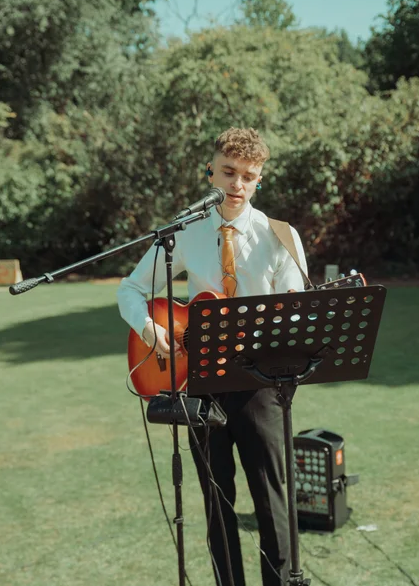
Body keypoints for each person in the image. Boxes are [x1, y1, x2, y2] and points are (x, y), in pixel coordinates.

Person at [117, 127, 308, 586]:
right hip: (199, 383)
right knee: (216, 504)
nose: (237, 184)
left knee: (272, 501)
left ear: (259, 179)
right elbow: (131, 289)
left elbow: (296, 312)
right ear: (210, 172)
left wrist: (277, 325)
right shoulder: (183, 232)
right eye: (228, 172)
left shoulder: (280, 236)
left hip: (262, 385)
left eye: (248, 176)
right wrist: (150, 328)